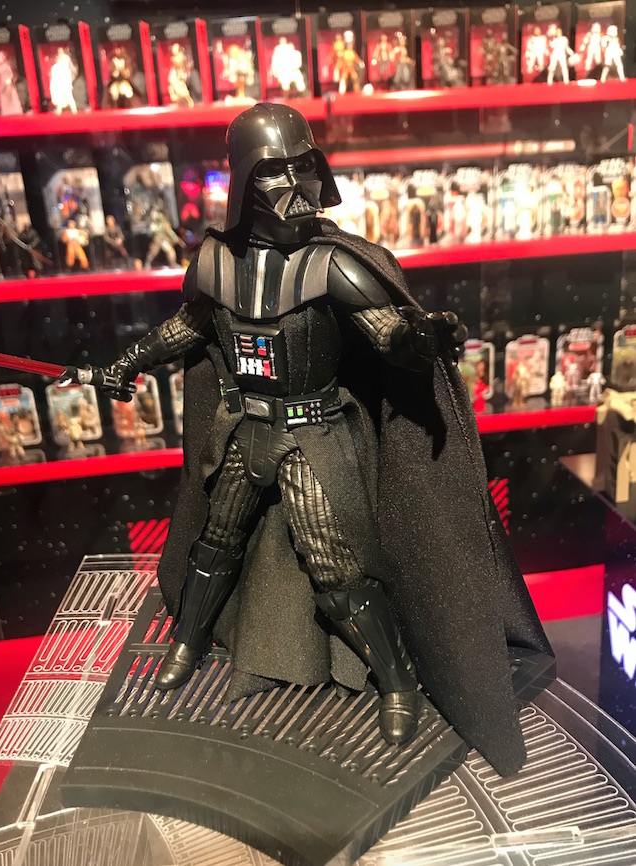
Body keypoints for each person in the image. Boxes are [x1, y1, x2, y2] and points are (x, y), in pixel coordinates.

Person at [78, 104, 552, 774]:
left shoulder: (332, 265)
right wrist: (128, 362)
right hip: (246, 426)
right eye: (277, 171)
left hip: (312, 433)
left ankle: (395, 680)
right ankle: (190, 640)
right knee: (217, 540)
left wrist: (419, 339)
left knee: (334, 563)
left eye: (306, 166)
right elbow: (189, 327)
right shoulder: (215, 261)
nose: (298, 185)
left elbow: (384, 332)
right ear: (246, 181)